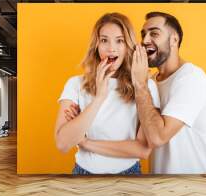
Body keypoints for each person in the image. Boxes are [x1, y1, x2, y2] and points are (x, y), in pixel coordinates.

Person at [55, 13, 160, 175]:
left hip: (129, 175)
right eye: (104, 40)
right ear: (96, 45)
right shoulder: (75, 84)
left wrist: (85, 142)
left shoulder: (145, 86)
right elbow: (63, 144)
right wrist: (99, 98)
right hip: (83, 175)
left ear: (128, 47)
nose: (111, 48)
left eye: (119, 41)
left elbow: (143, 150)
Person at [131, 12, 206, 174]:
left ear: (174, 39)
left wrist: (140, 85)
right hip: (161, 185)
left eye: (154, 33)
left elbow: (158, 137)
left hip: (191, 187)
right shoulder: (151, 81)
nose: (145, 40)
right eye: (144, 34)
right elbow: (143, 136)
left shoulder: (191, 78)